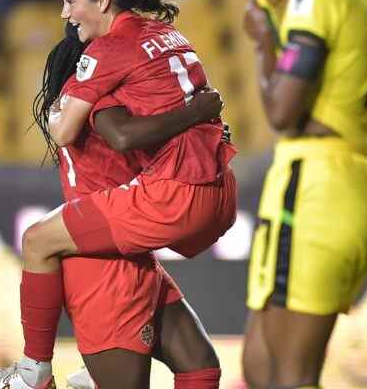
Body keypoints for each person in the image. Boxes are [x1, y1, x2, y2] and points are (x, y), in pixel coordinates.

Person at [0, 0, 238, 389]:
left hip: (160, 208)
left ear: (102, 2)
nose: (64, 13)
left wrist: (63, 107)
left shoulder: (105, 63)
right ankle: (66, 372)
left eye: (71, 2)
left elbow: (94, 135)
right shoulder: (165, 36)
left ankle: (33, 371)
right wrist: (200, 110)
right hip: (216, 187)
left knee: (37, 239)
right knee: (201, 367)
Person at [230, 0, 367, 388]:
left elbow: (282, 111)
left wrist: (262, 45)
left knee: (290, 375)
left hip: (316, 186)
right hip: (349, 178)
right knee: (259, 366)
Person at [32, 22, 227, 389]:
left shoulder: (76, 102)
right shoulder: (107, 105)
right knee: (37, 239)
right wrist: (197, 118)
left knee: (200, 367)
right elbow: (126, 139)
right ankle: (33, 370)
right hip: (106, 265)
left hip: (123, 246)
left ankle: (36, 368)